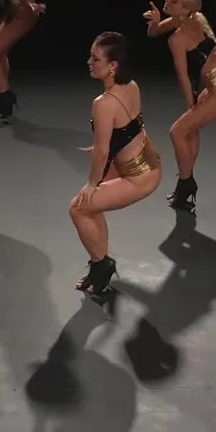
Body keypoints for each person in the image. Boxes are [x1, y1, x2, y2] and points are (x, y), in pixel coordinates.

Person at [71, 32, 162, 296]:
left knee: (78, 208)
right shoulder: (131, 85)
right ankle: (101, 263)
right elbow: (128, 128)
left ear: (113, 66)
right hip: (150, 161)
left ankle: (101, 265)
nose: (89, 62)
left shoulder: (103, 103)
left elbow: (102, 150)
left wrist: (92, 183)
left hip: (138, 175)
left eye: (95, 59)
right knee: (92, 207)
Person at [143, 0, 216, 210]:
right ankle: (185, 183)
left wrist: (191, 106)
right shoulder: (188, 18)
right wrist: (156, 21)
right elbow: (153, 32)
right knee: (188, 129)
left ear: (185, 8)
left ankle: (186, 183)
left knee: (177, 131)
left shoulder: (178, 38)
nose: (167, 0)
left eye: (174, 0)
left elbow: (183, 76)